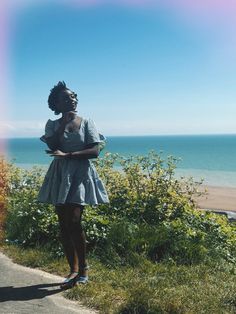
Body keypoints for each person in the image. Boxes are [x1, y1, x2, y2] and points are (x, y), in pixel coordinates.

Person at [38, 81, 109, 289]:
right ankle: (73, 270)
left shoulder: (87, 122)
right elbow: (52, 146)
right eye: (66, 98)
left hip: (80, 173)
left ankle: (84, 269)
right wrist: (62, 125)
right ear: (56, 104)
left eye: (74, 96)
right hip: (60, 174)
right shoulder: (52, 124)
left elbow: (94, 152)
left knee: (75, 221)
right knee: (64, 225)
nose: (72, 100)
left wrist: (68, 155)